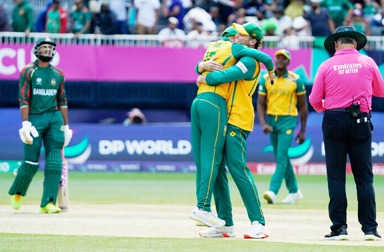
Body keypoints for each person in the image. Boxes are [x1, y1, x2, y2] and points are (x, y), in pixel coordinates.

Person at [189, 24, 274, 233]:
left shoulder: (250, 60)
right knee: (215, 167)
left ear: (252, 42)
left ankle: (258, 223)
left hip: (237, 118)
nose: (237, 37)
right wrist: (201, 65)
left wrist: (203, 76)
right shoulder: (236, 53)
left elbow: (221, 77)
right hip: (225, 116)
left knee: (238, 169)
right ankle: (225, 224)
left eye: (242, 35)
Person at [309, 26, 384, 241]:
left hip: (334, 119)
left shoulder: (326, 64)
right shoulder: (368, 62)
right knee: (364, 177)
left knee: (336, 177)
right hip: (360, 119)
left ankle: (339, 228)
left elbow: (314, 99)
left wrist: (328, 108)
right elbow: (381, 91)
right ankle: (370, 229)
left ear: (335, 44)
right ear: (356, 43)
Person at [9, 38, 73, 214]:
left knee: (54, 160)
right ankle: (17, 192)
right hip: (35, 119)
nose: (47, 51)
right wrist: (25, 123)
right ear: (37, 51)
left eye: (50, 49)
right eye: (44, 48)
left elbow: (63, 101)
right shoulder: (28, 71)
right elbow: (24, 98)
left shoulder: (59, 74)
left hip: (54, 118)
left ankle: (48, 202)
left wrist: (66, 126)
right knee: (30, 161)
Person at [257, 49, 308, 205]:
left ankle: (273, 191)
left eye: (283, 58)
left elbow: (303, 106)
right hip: (272, 121)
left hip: (288, 120)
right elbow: (259, 103)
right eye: (277, 58)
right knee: (283, 156)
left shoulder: (296, 79)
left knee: (280, 157)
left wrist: (303, 131)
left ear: (288, 62)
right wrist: (263, 123)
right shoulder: (266, 78)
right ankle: (294, 191)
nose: (279, 60)